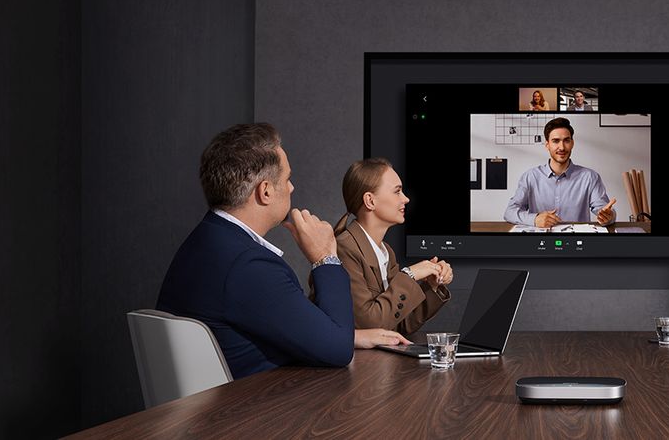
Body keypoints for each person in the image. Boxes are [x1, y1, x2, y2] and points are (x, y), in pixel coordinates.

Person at [157, 123, 408, 379]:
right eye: (287, 179)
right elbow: (338, 352)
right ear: (265, 191)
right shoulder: (249, 265)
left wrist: (350, 336)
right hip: (254, 411)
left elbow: (277, 324)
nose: (291, 188)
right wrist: (326, 258)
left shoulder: (206, 240)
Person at [327, 158, 452, 334]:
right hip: (352, 361)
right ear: (370, 201)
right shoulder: (344, 249)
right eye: (397, 191)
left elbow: (398, 325)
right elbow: (368, 324)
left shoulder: (387, 252)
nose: (406, 199)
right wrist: (409, 275)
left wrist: (431, 286)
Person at [504, 117, 617, 228]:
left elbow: (603, 209)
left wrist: (608, 216)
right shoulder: (530, 177)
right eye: (555, 141)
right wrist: (535, 219)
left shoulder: (590, 177)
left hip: (577, 241)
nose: (562, 147)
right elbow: (510, 212)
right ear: (547, 144)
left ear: (572, 143)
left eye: (566, 140)